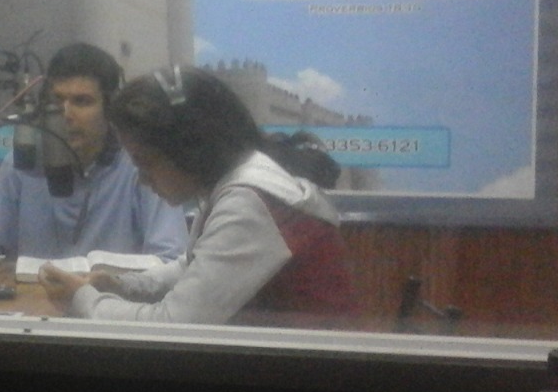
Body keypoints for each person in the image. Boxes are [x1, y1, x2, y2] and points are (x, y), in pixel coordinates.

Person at [38, 66, 356, 326]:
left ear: (189, 151)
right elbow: (195, 266)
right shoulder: (240, 181)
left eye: (145, 162)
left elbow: (173, 325)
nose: (142, 178)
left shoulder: (249, 204)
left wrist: (81, 299)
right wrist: (123, 285)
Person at [0, 43, 189, 260]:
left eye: (82, 102)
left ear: (110, 109)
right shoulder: (20, 164)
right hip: (33, 288)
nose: (66, 114)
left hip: (112, 288)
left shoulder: (140, 167)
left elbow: (170, 257)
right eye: (56, 100)